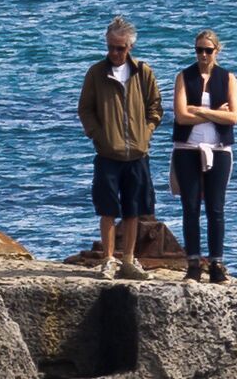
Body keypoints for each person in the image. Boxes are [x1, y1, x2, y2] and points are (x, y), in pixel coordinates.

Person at [78, 17, 163, 279]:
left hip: (137, 153)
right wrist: (98, 136)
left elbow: (155, 107)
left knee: (133, 208)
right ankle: (108, 260)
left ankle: (128, 260)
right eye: (111, 47)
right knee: (107, 208)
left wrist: (145, 134)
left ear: (129, 47)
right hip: (107, 153)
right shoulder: (96, 73)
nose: (115, 53)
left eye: (120, 48)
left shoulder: (143, 72)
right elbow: (86, 109)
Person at [172, 30, 237, 282]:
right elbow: (180, 116)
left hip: (219, 149)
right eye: (199, 50)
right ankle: (192, 262)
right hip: (187, 149)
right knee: (190, 206)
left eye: (208, 50)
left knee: (216, 207)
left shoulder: (228, 78)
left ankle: (216, 263)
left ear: (217, 51)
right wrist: (214, 112)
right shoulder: (183, 77)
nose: (202, 55)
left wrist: (199, 110)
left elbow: (233, 117)